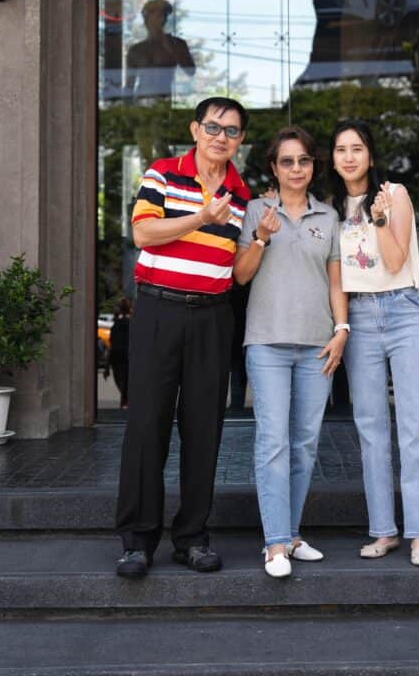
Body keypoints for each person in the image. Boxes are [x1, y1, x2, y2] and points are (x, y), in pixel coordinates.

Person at [115, 96, 250, 578]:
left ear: (240, 140)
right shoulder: (163, 174)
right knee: (146, 426)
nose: (220, 137)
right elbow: (143, 235)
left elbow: (237, 271)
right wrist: (200, 218)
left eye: (231, 131)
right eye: (212, 127)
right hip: (158, 311)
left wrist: (261, 239)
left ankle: (192, 538)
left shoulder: (242, 195)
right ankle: (137, 542)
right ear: (195, 130)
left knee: (203, 430)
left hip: (212, 317)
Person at [233, 126, 348, 578]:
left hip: (318, 345)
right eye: (287, 161)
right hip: (267, 343)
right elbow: (241, 275)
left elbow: (336, 282)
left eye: (303, 160)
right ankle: (276, 544)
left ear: (313, 166)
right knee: (274, 442)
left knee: (304, 445)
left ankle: (292, 534)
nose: (296, 169)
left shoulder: (329, 217)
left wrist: (341, 330)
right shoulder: (255, 210)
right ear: (274, 168)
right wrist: (261, 236)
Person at [329, 119, 419, 567]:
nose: (349, 157)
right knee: (371, 428)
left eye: (357, 148)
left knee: (416, 425)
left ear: (370, 155)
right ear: (332, 159)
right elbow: (335, 277)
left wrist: (377, 219)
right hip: (358, 316)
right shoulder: (330, 209)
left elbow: (395, 261)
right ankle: (384, 531)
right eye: (341, 149)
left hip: (402, 310)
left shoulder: (394, 195)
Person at [125, 0, 196, 100]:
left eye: (164, 16)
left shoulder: (176, 44)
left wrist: (171, 49)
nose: (162, 20)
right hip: (141, 102)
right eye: (158, 16)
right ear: (147, 19)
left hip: (164, 101)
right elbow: (129, 85)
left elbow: (190, 71)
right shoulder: (136, 50)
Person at [108, 296, 131, 409]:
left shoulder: (116, 324)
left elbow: (112, 342)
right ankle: (125, 399)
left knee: (120, 378)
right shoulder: (130, 323)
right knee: (125, 378)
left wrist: (107, 363)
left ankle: (124, 399)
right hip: (126, 354)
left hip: (117, 354)